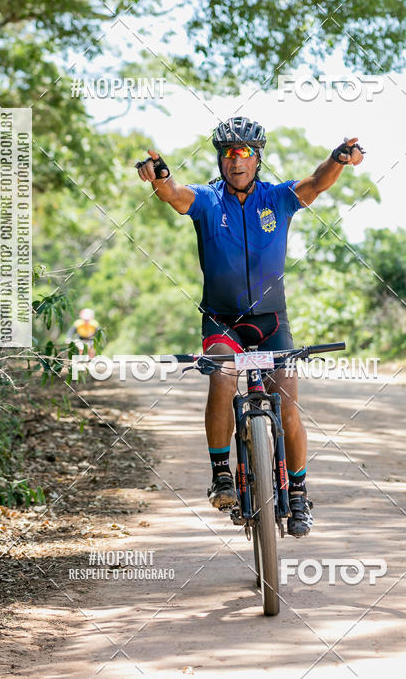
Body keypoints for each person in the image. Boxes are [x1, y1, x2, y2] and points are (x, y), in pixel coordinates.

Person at [135, 117, 364, 537]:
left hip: (271, 321)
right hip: (222, 322)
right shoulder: (208, 201)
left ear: (257, 159)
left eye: (243, 153)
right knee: (222, 375)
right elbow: (174, 195)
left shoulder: (277, 198)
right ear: (220, 160)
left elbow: (317, 183)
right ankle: (221, 474)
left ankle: (298, 493)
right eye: (228, 153)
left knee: (288, 403)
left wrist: (339, 159)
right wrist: (160, 177)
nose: (235, 161)